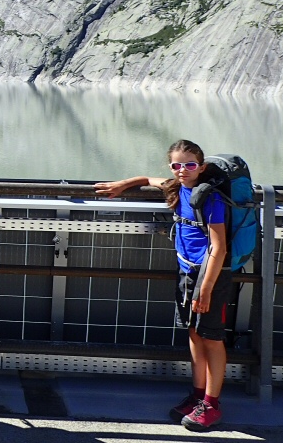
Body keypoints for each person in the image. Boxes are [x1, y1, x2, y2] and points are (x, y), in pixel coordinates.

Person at [94, 139, 231, 432]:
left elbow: (218, 248)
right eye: (177, 165)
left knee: (212, 339)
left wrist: (205, 289)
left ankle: (211, 404)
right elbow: (148, 180)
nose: (183, 170)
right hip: (186, 274)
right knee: (194, 334)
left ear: (202, 167)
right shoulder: (175, 187)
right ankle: (197, 396)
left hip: (209, 278)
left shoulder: (211, 198)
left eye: (190, 165)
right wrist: (123, 184)